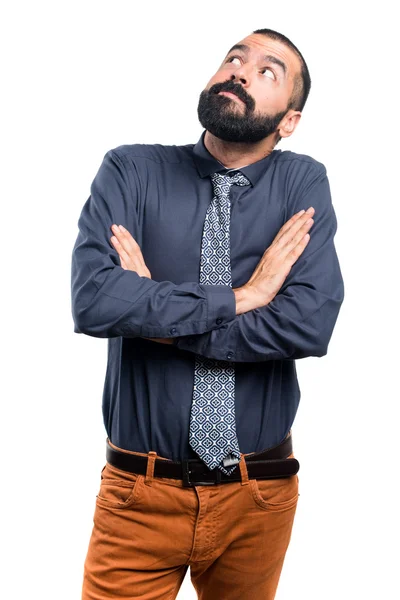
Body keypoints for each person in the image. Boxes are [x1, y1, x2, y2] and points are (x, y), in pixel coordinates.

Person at [71, 27, 344, 600]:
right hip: (138, 496)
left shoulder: (302, 180)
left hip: (259, 496)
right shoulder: (131, 171)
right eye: (233, 58)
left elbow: (308, 322)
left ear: (288, 120)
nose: (241, 71)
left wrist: (157, 319)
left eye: (268, 71)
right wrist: (241, 297)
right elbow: (96, 300)